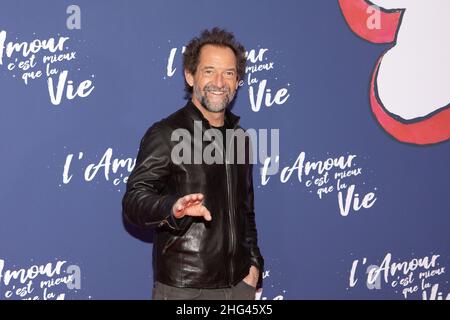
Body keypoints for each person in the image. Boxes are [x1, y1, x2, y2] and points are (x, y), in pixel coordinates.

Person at [122, 27, 264, 300]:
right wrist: (170, 208)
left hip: (240, 287)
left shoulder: (240, 139)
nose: (219, 82)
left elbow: (246, 211)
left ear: (237, 82)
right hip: (186, 289)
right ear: (190, 76)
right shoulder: (166, 134)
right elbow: (134, 201)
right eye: (209, 71)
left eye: (229, 73)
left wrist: (255, 266)